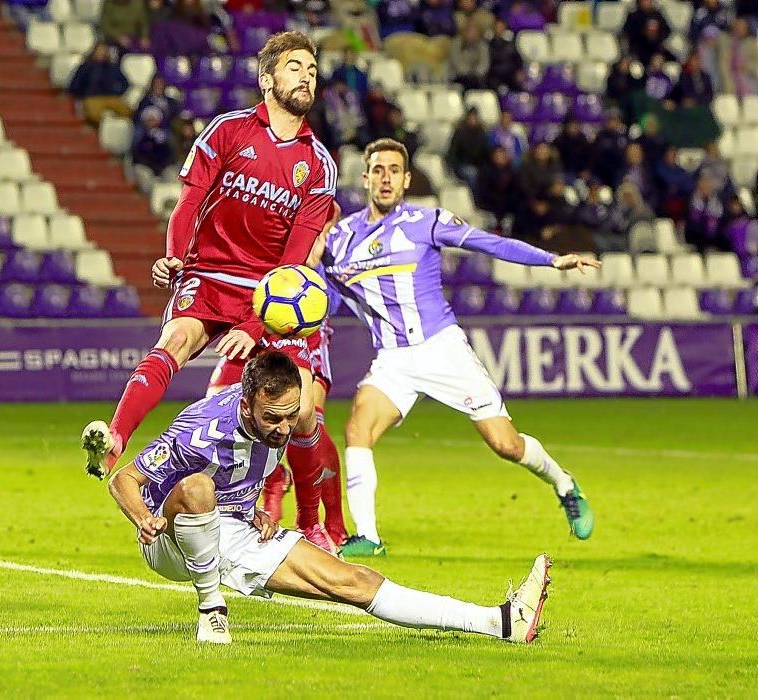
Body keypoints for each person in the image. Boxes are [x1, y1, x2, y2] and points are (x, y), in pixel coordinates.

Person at [82, 31, 339, 553]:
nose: (306, 76)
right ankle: (114, 443)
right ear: (267, 79)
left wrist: (252, 325)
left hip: (270, 293)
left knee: (304, 411)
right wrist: (175, 257)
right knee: (175, 341)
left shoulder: (318, 166)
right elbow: (188, 203)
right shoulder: (227, 131)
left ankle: (312, 524)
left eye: (312, 69)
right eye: (295, 68)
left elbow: (292, 264)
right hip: (210, 272)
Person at [108, 351, 552, 644]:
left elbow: (250, 471)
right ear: (246, 406)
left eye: (289, 415)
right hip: (171, 540)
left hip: (234, 531)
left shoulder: (288, 417)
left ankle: (500, 623)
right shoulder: (200, 429)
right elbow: (123, 479)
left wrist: (254, 509)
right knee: (199, 488)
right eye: (272, 418)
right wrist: (144, 518)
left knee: (352, 582)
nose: (284, 428)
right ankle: (211, 610)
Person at [311, 138, 598, 557]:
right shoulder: (341, 239)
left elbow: (488, 242)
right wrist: (313, 259)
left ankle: (564, 483)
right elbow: (325, 303)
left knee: (506, 445)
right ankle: (369, 537)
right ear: (365, 177)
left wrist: (551, 260)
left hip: (442, 349)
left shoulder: (425, 221)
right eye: (378, 170)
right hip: (393, 359)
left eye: (394, 170)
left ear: (407, 179)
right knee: (358, 428)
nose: (385, 177)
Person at [205, 319, 349, 547]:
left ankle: (319, 523)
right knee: (215, 407)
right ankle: (272, 477)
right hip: (250, 327)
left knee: (304, 415)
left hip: (299, 326)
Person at [67, 42, 131, 126]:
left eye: (104, 51)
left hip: (112, 97)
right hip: (92, 98)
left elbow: (125, 83)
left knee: (128, 111)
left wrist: (118, 92)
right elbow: (75, 84)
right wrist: (82, 97)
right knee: (94, 114)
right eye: (99, 51)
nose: (102, 53)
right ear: (94, 52)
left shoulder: (113, 67)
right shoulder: (85, 67)